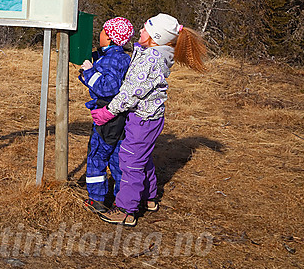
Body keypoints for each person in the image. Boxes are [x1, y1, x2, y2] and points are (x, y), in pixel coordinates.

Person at [91, 13, 207, 227]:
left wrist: (108, 111)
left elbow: (130, 93)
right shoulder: (151, 53)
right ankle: (149, 197)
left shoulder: (150, 60)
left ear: (155, 38)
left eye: (145, 29)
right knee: (142, 156)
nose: (140, 31)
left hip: (142, 119)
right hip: (149, 117)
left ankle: (126, 210)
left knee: (130, 161)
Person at [78, 17, 134, 214]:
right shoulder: (122, 57)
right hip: (120, 117)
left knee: (97, 157)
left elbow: (107, 87)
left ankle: (97, 200)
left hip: (106, 116)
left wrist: (90, 72)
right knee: (117, 158)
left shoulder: (110, 60)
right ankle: (122, 200)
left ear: (110, 37)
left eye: (103, 31)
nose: (99, 34)